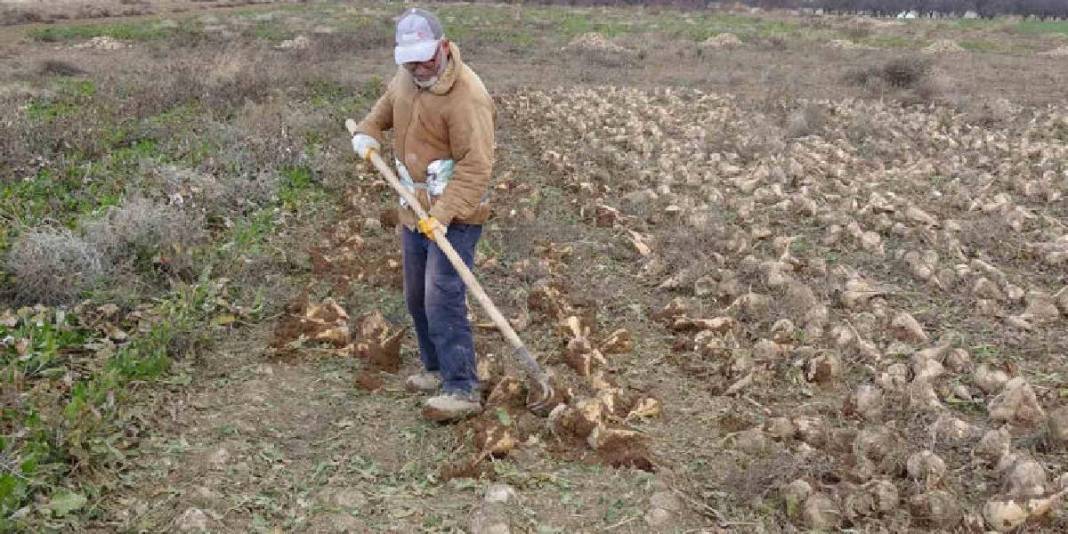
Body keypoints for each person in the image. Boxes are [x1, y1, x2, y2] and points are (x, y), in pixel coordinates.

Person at [350, 7, 495, 422]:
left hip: (458, 213)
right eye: (410, 61)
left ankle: (462, 387)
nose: (419, 68)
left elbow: (476, 167)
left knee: (442, 293)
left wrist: (445, 213)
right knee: (416, 294)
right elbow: (383, 111)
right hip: (414, 208)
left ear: (444, 48)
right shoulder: (406, 78)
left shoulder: (468, 96)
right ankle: (434, 368)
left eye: (427, 59)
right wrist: (367, 132)